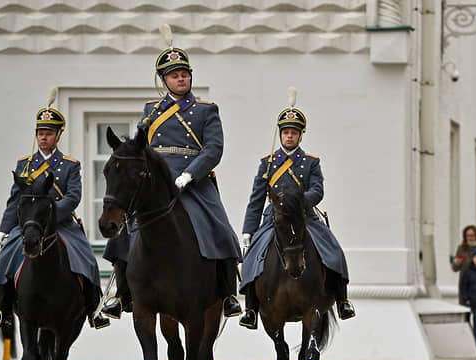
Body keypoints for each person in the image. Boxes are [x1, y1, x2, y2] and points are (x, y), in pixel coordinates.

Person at [100, 37, 242, 320]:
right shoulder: (151, 110)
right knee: (125, 231)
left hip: (194, 181)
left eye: (184, 74)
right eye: (174, 75)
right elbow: (142, 146)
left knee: (221, 229)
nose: (181, 79)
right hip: (157, 182)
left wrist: (191, 173)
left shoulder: (205, 110)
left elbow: (214, 149)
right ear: (164, 81)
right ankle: (120, 294)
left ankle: (228, 294)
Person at [0, 105, 109, 330]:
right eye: (40, 133)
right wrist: (4, 230)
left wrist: (51, 216)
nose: (43, 137)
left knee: (87, 256)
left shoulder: (70, 165)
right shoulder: (25, 164)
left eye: (49, 133)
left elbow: (72, 197)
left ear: (58, 136)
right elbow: (15, 201)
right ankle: (1, 308)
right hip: (30, 225)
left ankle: (94, 308)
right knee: (6, 256)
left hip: (60, 224)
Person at [238, 97, 354, 328]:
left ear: (301, 136)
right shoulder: (267, 163)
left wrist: (298, 202)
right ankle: (250, 308)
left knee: (334, 251)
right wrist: (248, 231)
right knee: (252, 258)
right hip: (275, 218)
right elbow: (256, 199)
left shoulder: (310, 162)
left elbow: (317, 190)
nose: (289, 136)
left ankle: (342, 300)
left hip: (304, 216)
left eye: (294, 132)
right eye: (286, 132)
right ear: (280, 134)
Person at [451, 225, 476, 305]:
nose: (470, 238)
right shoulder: (461, 248)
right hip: (465, 285)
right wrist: (457, 262)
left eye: (472, 235)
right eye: (467, 236)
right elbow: (455, 268)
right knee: (465, 310)